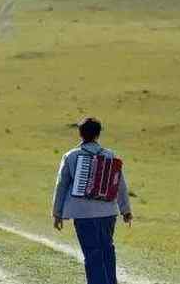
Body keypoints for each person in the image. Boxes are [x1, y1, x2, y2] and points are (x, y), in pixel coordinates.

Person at [51, 117, 133, 284]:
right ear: (98, 134)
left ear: (80, 134)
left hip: (83, 215)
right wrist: (126, 210)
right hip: (108, 213)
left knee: (92, 254)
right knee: (107, 251)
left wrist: (57, 213)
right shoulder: (110, 155)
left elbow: (61, 186)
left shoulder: (71, 156)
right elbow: (120, 185)